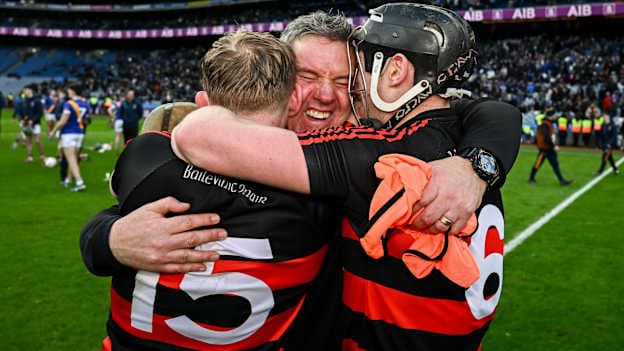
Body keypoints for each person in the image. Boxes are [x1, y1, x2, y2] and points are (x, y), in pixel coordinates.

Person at [82, 8, 520, 350]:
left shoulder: (362, 159)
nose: (326, 96)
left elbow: (487, 112)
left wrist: (476, 163)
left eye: (345, 80)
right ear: (278, 79)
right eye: (307, 77)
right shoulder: (387, 149)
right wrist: (112, 239)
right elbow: (123, 218)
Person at [89, 30, 341, 351]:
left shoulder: (146, 158)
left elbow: (117, 197)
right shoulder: (319, 198)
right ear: (292, 101)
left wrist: (109, 238)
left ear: (202, 104)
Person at [48, 84, 88, 192]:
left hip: (69, 133)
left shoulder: (69, 103)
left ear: (73, 91)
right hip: (80, 132)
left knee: (71, 160)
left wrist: (53, 131)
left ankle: (80, 182)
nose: (68, 92)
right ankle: (68, 179)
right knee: (74, 158)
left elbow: (63, 121)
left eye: (69, 90)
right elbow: (85, 119)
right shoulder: (85, 103)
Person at [529, 107, 573, 185]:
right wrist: (554, 146)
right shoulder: (545, 124)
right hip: (545, 149)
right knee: (538, 164)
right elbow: (546, 138)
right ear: (551, 115)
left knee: (555, 164)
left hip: (548, 148)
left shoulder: (547, 123)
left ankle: (561, 180)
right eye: (554, 114)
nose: (556, 116)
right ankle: (531, 178)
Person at [22, 84, 46, 163]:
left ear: (30, 90)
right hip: (26, 124)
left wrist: (33, 120)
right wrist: (23, 119)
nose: (24, 91)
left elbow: (40, 113)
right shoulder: (25, 100)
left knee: (37, 141)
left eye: (25, 89)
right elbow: (24, 112)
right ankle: (30, 157)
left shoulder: (37, 100)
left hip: (36, 124)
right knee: (28, 140)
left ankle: (42, 155)